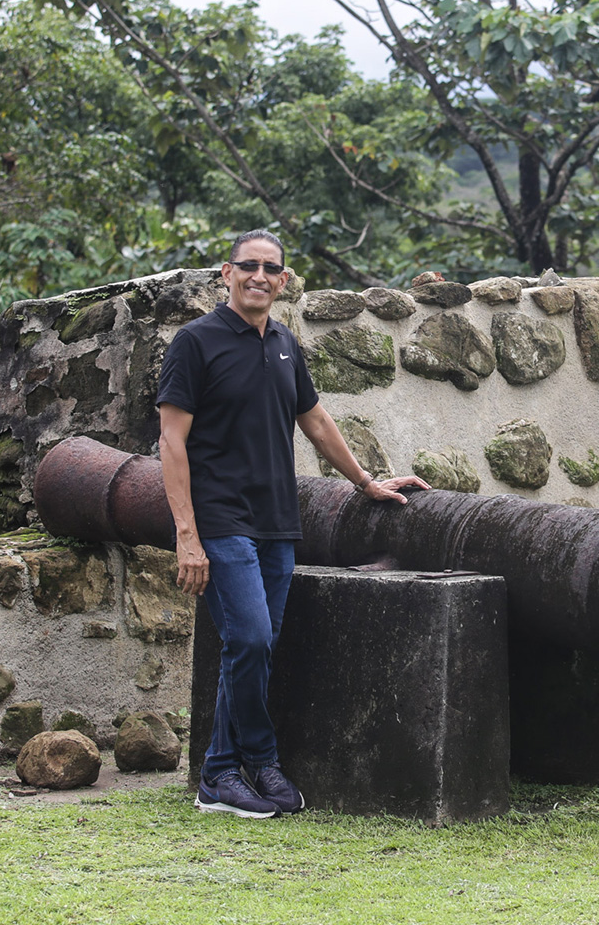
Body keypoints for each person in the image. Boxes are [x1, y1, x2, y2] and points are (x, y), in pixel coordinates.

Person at [156, 228, 429, 819]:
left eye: (270, 269)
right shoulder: (195, 343)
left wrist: (366, 482)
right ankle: (241, 766)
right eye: (247, 266)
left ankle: (231, 770)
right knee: (249, 638)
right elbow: (171, 443)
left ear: (283, 281)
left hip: (278, 519)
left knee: (252, 647)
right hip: (220, 519)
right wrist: (186, 535)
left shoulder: (283, 342)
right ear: (225, 274)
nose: (259, 276)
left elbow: (317, 421)